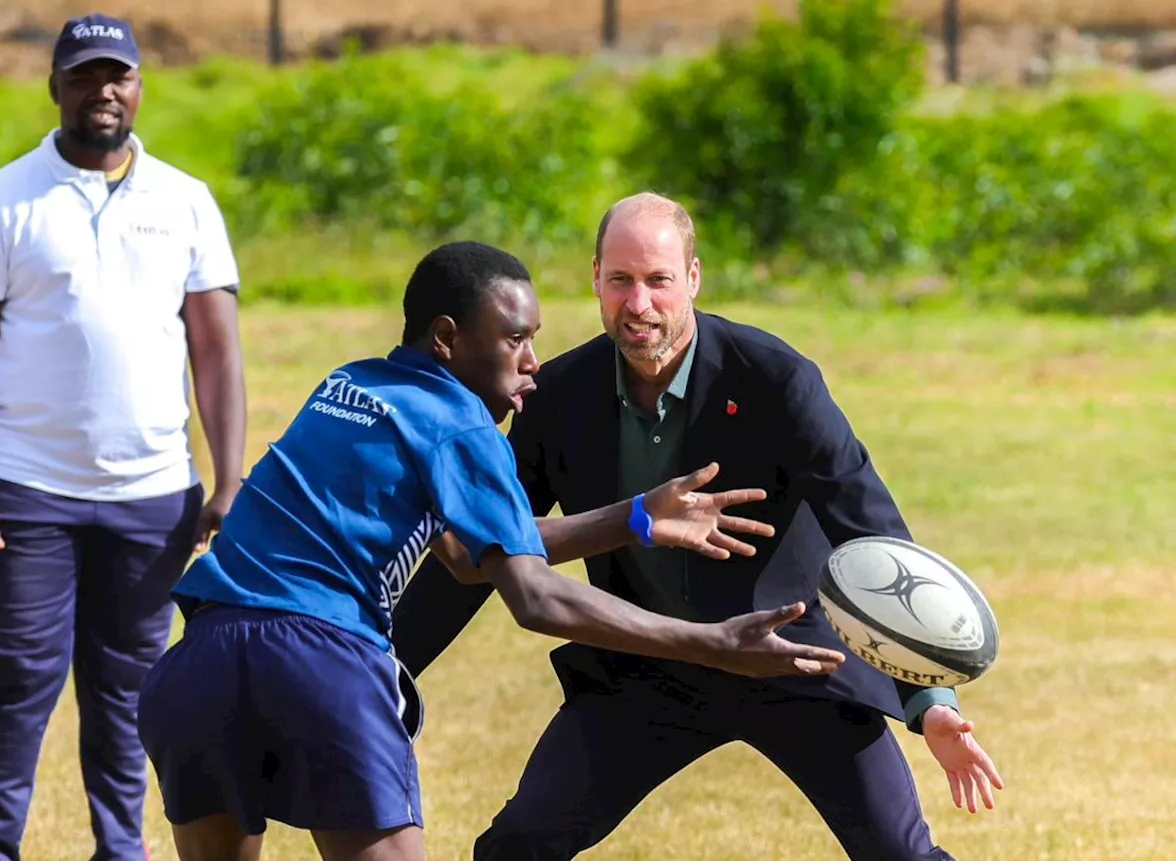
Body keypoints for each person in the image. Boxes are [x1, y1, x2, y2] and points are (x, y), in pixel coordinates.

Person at [135, 240, 850, 861]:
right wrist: (712, 642)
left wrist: (634, 517)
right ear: (446, 338)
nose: (534, 361)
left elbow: (467, 551)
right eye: (515, 339)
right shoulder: (460, 424)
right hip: (320, 662)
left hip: (198, 665)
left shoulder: (347, 384)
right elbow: (531, 595)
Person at [390, 194, 1006, 861]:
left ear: (692, 278)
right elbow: (490, 545)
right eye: (621, 280)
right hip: (651, 669)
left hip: (793, 662)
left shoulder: (776, 380)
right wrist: (385, 668)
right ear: (595, 276)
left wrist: (930, 699)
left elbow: (868, 530)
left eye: (658, 280)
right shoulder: (557, 397)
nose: (639, 303)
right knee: (518, 844)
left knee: (901, 854)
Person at [0, 14, 245, 861]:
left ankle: (122, 849)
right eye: (84, 76)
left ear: (140, 86)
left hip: (151, 497)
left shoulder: (185, 201)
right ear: (55, 87)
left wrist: (228, 479)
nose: (103, 91)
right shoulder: (1, 200)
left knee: (130, 695)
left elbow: (216, 354)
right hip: (24, 493)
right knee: (17, 685)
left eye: (119, 76)